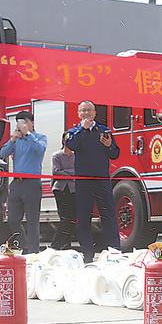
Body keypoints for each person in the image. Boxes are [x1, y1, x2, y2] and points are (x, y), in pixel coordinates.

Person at [64, 101, 120, 263]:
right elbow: (71, 145)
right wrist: (83, 129)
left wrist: (109, 145)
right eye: (83, 110)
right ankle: (87, 254)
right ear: (78, 113)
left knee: (108, 216)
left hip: (102, 180)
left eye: (89, 110)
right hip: (83, 181)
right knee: (83, 218)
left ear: (95, 113)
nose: (86, 113)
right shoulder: (74, 132)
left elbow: (115, 154)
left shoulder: (103, 131)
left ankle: (114, 252)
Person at [0, 110, 47, 254]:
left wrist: (28, 134)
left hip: (32, 183)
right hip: (16, 183)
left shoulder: (40, 137)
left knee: (32, 219)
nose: (21, 126)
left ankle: (33, 251)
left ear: (32, 123)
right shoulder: (16, 140)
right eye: (19, 123)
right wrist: (13, 139)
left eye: (25, 122)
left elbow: (40, 150)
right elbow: (2, 154)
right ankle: (25, 245)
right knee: (12, 219)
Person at [50, 134, 77, 250]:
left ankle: (66, 243)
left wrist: (66, 172)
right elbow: (56, 171)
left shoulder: (76, 156)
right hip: (61, 189)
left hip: (73, 189)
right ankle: (55, 245)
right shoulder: (57, 155)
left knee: (73, 217)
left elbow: (78, 170)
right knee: (65, 217)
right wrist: (71, 174)